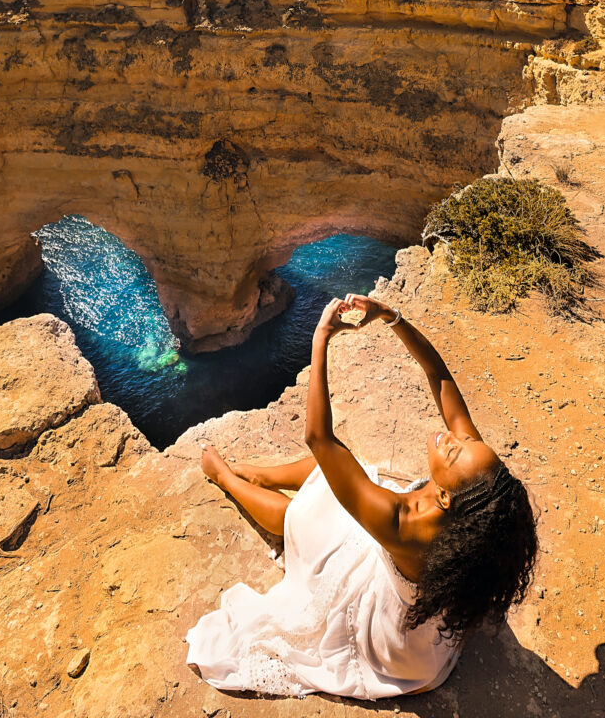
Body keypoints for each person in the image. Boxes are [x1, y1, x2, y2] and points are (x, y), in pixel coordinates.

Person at [185, 293, 538, 700]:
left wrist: (321, 338)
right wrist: (392, 317)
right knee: (340, 475)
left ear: (443, 496)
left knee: (301, 518)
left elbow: (319, 438)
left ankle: (227, 477)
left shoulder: (403, 524)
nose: (451, 437)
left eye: (455, 450)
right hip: (425, 633)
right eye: (464, 438)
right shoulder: (475, 502)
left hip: (387, 642)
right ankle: (261, 474)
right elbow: (439, 374)